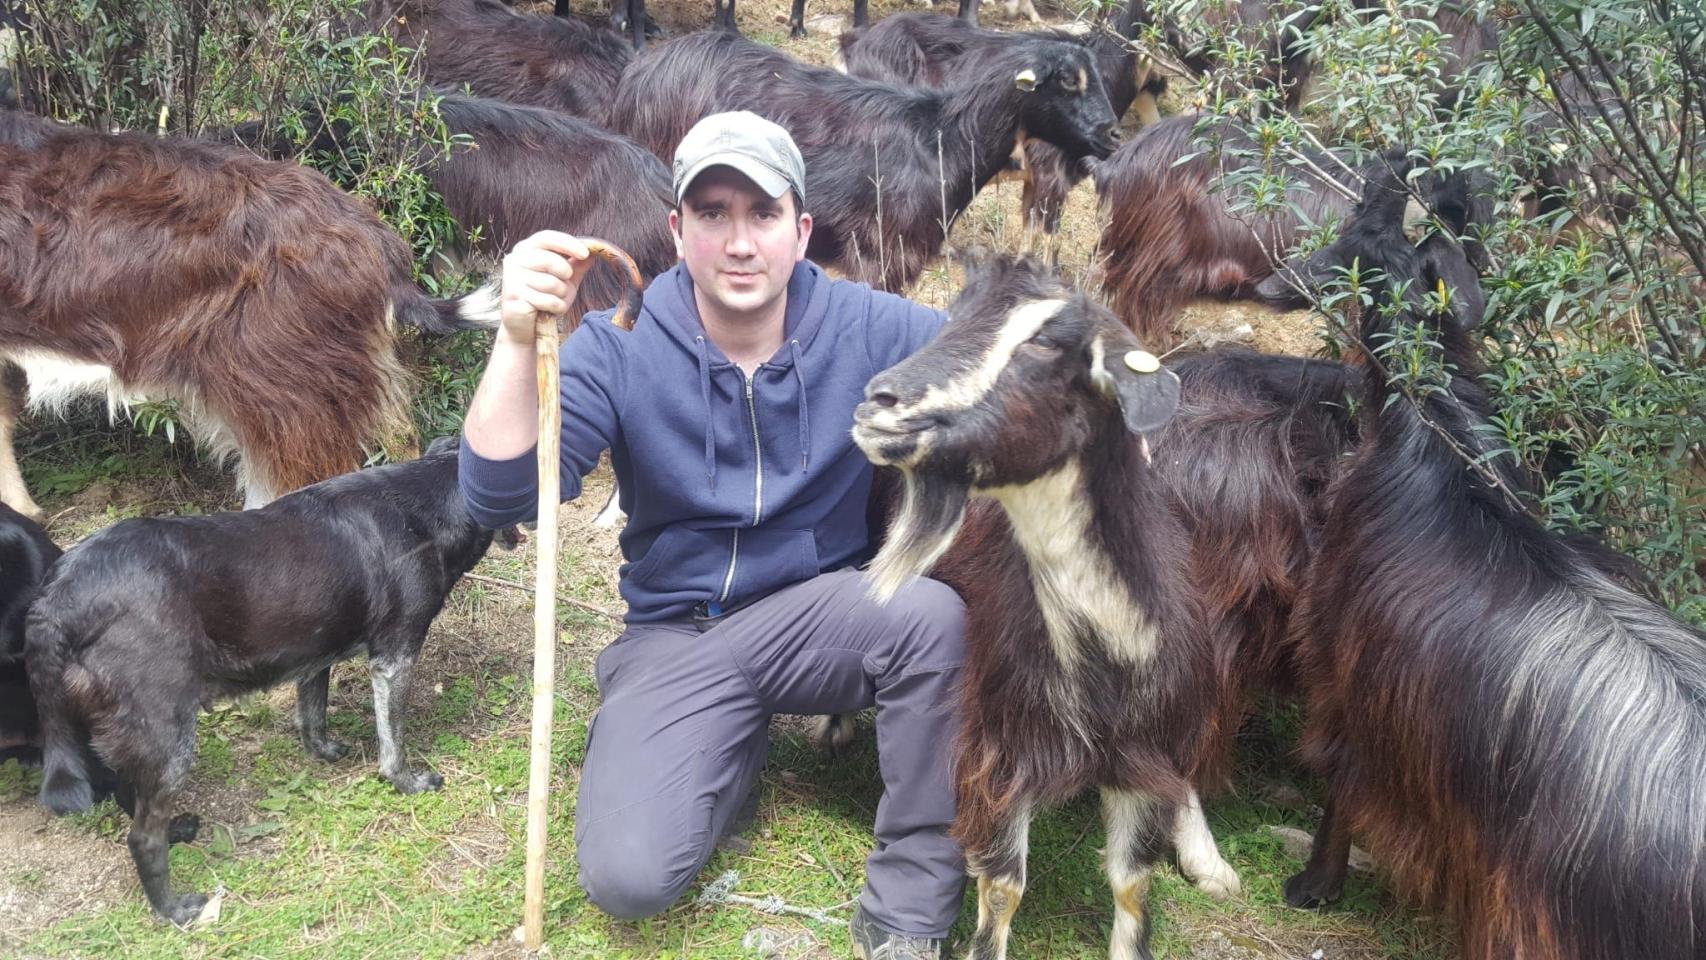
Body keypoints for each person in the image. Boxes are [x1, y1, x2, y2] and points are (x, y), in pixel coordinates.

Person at [457, 111, 966, 960]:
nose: (739, 241)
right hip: (676, 637)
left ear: (800, 232)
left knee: (929, 615)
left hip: (819, 617)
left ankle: (911, 907)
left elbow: (1000, 355)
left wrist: (1120, 391)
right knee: (629, 881)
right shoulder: (618, 345)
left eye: (762, 214)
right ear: (677, 231)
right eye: (713, 214)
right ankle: (720, 743)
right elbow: (500, 495)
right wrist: (514, 341)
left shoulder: (871, 325)